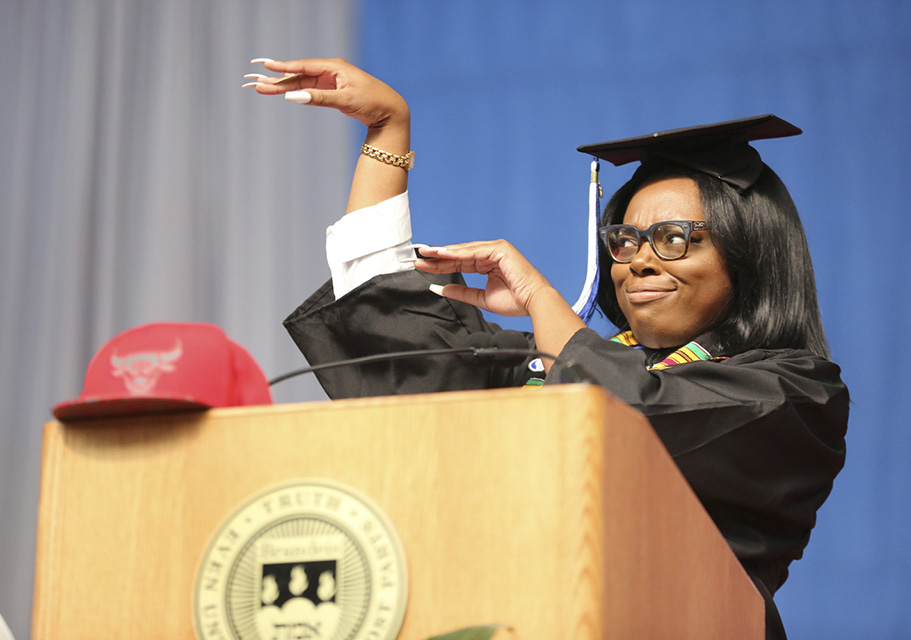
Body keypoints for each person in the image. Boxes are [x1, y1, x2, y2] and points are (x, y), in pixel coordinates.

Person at [247, 58, 848, 640]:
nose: (638, 260)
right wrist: (388, 132)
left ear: (749, 253)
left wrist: (540, 299)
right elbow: (394, 333)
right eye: (625, 240)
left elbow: (637, 413)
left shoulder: (794, 394)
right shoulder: (554, 369)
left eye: (673, 239)